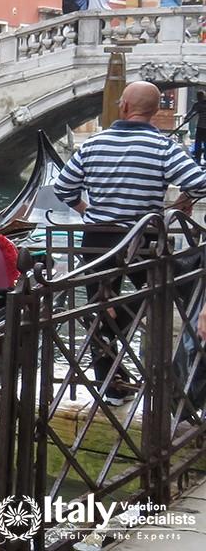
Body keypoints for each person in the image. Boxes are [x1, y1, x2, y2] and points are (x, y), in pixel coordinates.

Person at [52, 81, 206, 405]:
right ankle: (145, 370)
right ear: (155, 111)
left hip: (98, 241)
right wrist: (183, 201)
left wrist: (88, 210)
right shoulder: (164, 147)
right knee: (153, 296)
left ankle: (112, 388)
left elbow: (63, 188)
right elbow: (200, 183)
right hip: (143, 239)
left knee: (99, 309)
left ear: (123, 107)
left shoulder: (94, 144)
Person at [191, 90, 206, 163]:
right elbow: (191, 112)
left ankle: (198, 158)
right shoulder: (197, 104)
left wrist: (186, 119)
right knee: (198, 143)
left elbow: (191, 113)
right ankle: (199, 158)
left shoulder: (197, 104)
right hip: (200, 126)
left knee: (198, 143)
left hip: (200, 127)